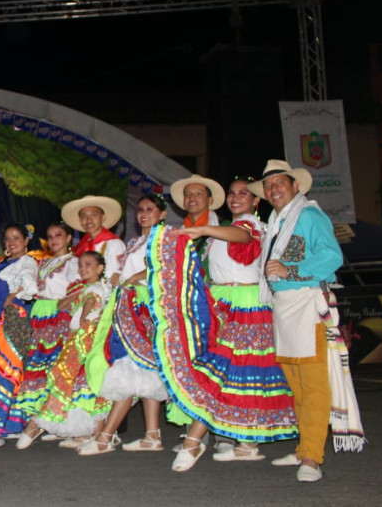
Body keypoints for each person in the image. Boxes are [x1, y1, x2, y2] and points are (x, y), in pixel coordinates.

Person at [145, 176, 298, 472]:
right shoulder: (224, 231)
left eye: (244, 193)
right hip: (225, 301)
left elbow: (242, 237)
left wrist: (201, 229)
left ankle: (194, 441)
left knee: (221, 372)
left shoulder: (250, 226)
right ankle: (247, 442)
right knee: (241, 376)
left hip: (246, 304)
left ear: (257, 201)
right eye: (232, 193)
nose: (236, 197)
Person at [249, 159, 363, 482]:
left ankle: (313, 456)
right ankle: (305, 447)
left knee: (313, 386)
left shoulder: (310, 215)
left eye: (280, 184)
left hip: (307, 303)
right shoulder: (275, 222)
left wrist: (290, 270)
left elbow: (331, 256)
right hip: (283, 306)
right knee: (297, 386)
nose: (274, 190)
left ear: (295, 186)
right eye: (269, 186)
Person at [79, 194, 169, 456]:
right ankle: (152, 434)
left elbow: (160, 267)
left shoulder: (164, 239)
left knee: (127, 367)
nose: (143, 214)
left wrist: (129, 279)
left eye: (150, 209)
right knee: (143, 372)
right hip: (128, 304)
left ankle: (105, 436)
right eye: (140, 209)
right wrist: (122, 278)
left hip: (143, 305)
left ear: (162, 214)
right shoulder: (135, 241)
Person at [19, 251, 112, 449]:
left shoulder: (94, 289)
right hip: (82, 336)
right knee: (84, 384)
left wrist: (84, 319)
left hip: (83, 338)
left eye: (88, 264)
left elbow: (89, 305)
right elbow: (62, 304)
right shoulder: (90, 288)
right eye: (81, 265)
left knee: (69, 378)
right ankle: (91, 432)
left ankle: (38, 425)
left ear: (100, 268)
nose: (83, 269)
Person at [13, 221, 81, 449]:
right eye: (50, 236)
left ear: (69, 238)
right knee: (38, 367)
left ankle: (47, 422)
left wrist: (62, 306)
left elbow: (80, 287)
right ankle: (51, 420)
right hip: (40, 315)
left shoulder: (73, 262)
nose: (54, 240)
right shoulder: (44, 261)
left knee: (57, 368)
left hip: (57, 315)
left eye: (59, 235)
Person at [0, 223, 39, 448]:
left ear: (26, 241)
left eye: (16, 238)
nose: (11, 242)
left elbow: (29, 283)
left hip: (12, 318)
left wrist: (13, 296)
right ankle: (8, 424)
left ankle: (4, 426)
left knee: (8, 370)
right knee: (0, 370)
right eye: (7, 238)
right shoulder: (2, 264)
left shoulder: (27, 262)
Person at [63, 195, 127, 288]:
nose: (88, 220)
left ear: (103, 218)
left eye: (94, 215)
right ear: (80, 221)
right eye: (83, 216)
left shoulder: (114, 244)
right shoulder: (80, 248)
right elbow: (73, 277)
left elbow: (114, 277)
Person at [169, 174, 225, 265]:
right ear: (184, 202)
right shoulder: (178, 234)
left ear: (210, 200)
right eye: (187, 195)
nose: (192, 198)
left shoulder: (226, 227)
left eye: (198, 194)